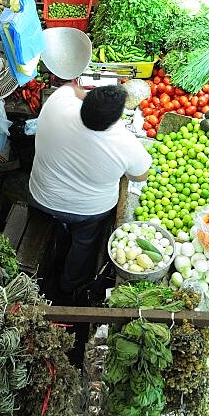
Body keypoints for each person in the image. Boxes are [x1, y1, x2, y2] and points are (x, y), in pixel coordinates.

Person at [29, 83, 152, 298]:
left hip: (42, 196)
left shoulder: (57, 103)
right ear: (116, 118)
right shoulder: (125, 143)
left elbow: (70, 87)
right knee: (84, 242)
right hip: (87, 212)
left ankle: (59, 244)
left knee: (59, 222)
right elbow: (140, 176)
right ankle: (69, 285)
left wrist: (93, 96)